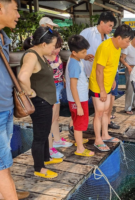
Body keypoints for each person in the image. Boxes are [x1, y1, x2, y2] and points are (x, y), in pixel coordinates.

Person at [19, 27, 63, 179]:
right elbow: (22, 77)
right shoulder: (31, 56)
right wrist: (30, 92)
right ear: (44, 44)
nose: (53, 49)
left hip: (45, 101)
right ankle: (39, 168)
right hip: (40, 102)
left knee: (45, 133)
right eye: (52, 46)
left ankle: (46, 158)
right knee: (40, 136)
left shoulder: (39, 54)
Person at [0, 1, 30, 199]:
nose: (18, 15)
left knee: (5, 159)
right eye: (16, 10)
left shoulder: (4, 37)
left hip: (7, 107)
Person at [72, 11, 119, 135]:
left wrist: (112, 77)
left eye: (112, 26)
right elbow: (75, 50)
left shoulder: (108, 39)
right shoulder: (87, 32)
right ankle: (74, 127)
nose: (110, 28)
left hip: (100, 77)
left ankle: (103, 127)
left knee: (100, 108)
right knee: (81, 102)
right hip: (86, 74)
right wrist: (84, 56)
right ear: (101, 22)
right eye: (109, 25)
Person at [89, 24, 133, 151]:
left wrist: (113, 79)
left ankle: (105, 134)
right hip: (98, 85)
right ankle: (98, 140)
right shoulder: (105, 47)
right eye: (127, 41)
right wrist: (102, 90)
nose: (128, 44)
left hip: (108, 83)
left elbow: (112, 65)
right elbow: (98, 71)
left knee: (107, 109)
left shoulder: (118, 47)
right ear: (119, 37)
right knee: (99, 112)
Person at [66, 35, 95, 157]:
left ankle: (79, 140)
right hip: (78, 100)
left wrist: (84, 57)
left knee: (78, 122)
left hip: (77, 99)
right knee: (79, 124)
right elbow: (73, 86)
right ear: (74, 52)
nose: (85, 53)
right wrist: (78, 105)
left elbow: (79, 57)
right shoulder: (74, 65)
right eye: (83, 52)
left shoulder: (76, 59)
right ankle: (80, 149)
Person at [45, 33, 72, 159]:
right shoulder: (43, 57)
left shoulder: (56, 56)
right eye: (56, 47)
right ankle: (49, 148)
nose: (58, 50)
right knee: (49, 119)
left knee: (56, 118)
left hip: (58, 87)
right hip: (49, 90)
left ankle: (56, 139)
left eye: (59, 47)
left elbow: (60, 71)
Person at [120, 29, 135, 115]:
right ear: (132, 38)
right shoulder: (128, 47)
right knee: (130, 89)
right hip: (130, 69)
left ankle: (134, 105)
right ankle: (127, 108)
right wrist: (128, 67)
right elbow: (122, 59)